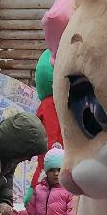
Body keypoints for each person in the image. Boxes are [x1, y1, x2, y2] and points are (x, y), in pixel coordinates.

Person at [25, 50, 65, 198]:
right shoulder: (55, 104)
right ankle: (35, 197)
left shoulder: (47, 104)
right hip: (55, 150)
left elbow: (36, 125)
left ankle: (34, 196)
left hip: (50, 151)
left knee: (45, 171)